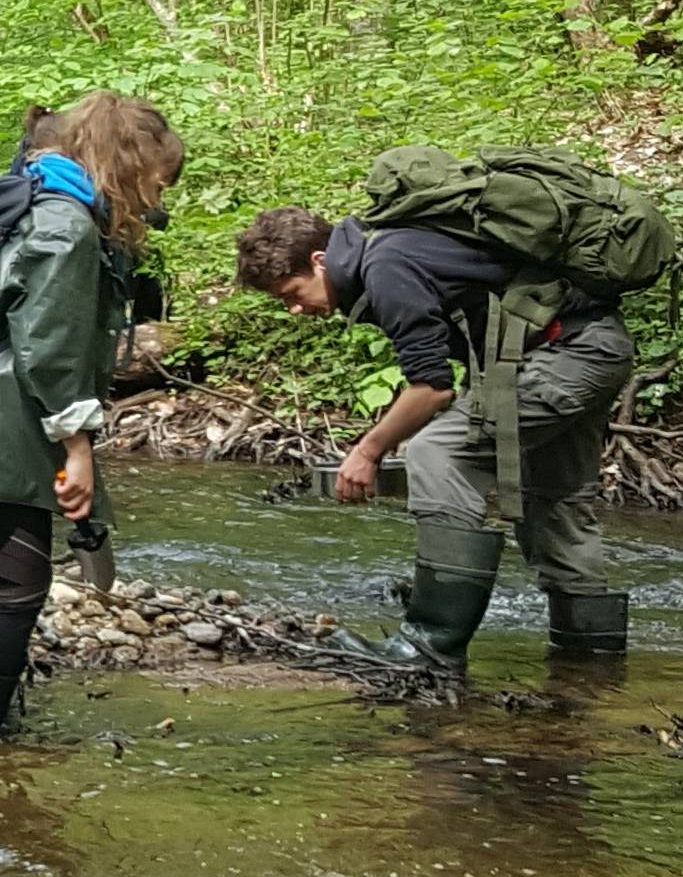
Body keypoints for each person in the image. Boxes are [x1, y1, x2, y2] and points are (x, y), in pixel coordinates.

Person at [238, 184, 641, 676]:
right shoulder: (393, 251)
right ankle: (589, 663)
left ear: (320, 260)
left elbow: (432, 389)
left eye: (292, 294)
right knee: (553, 500)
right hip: (590, 346)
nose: (295, 310)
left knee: (438, 453)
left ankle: (430, 645)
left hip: (566, 356)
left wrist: (369, 451)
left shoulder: (386, 265)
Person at [0, 95, 184, 739]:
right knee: (17, 593)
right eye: (158, 183)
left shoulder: (36, 200)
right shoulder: (66, 227)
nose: (158, 201)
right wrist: (78, 447)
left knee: (16, 588)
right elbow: (50, 351)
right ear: (128, 165)